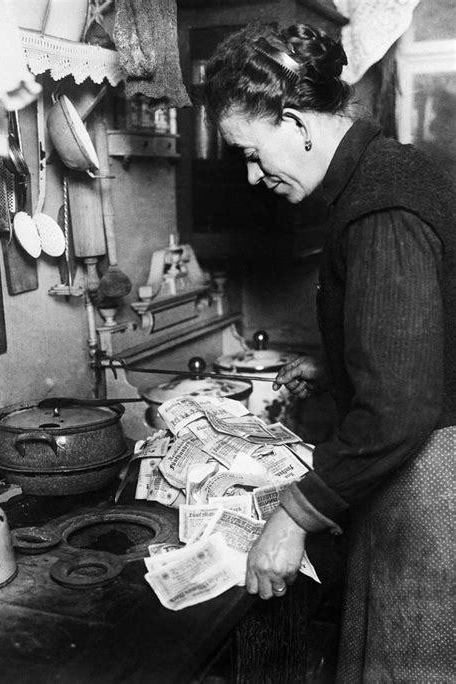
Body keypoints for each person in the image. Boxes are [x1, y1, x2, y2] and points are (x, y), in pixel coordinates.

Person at [203, 22, 454, 683]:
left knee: (411, 665)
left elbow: (400, 406)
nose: (254, 176)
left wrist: (291, 518)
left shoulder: (378, 206)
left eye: (253, 153)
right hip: (421, 466)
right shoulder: (391, 168)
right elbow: (418, 337)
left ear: (294, 121)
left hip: (433, 483)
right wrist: (334, 362)